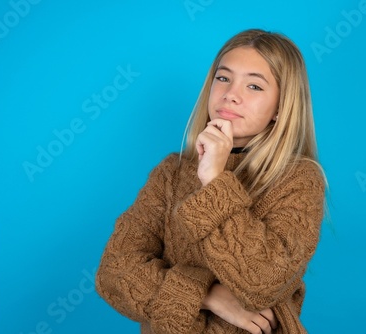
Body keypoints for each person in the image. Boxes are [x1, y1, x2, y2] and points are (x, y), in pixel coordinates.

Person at [95, 28, 326, 334]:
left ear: (281, 107)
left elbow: (264, 283)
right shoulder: (171, 173)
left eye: (255, 86)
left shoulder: (298, 179)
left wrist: (215, 180)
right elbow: (113, 272)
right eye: (223, 78)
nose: (231, 93)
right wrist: (205, 294)